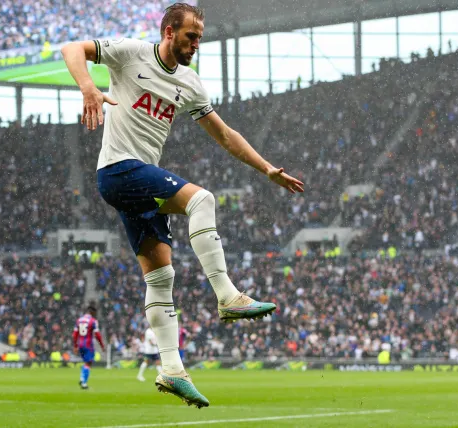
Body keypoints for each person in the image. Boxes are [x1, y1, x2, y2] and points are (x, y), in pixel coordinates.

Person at [62, 2, 303, 408]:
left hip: (136, 185)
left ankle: (172, 370)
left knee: (160, 278)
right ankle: (227, 295)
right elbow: (72, 49)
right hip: (119, 170)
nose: (196, 44)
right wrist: (87, 85)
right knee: (202, 200)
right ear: (169, 32)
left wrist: (266, 169)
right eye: (191, 36)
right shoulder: (130, 52)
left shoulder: (190, 84)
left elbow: (224, 134)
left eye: (200, 38)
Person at [72, 305, 105, 390]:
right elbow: (97, 335)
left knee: (86, 362)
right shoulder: (93, 321)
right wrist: (102, 345)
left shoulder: (79, 320)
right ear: (92, 312)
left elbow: (75, 334)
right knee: (88, 363)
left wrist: (75, 345)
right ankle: (84, 383)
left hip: (80, 344)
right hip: (88, 345)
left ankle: (82, 378)